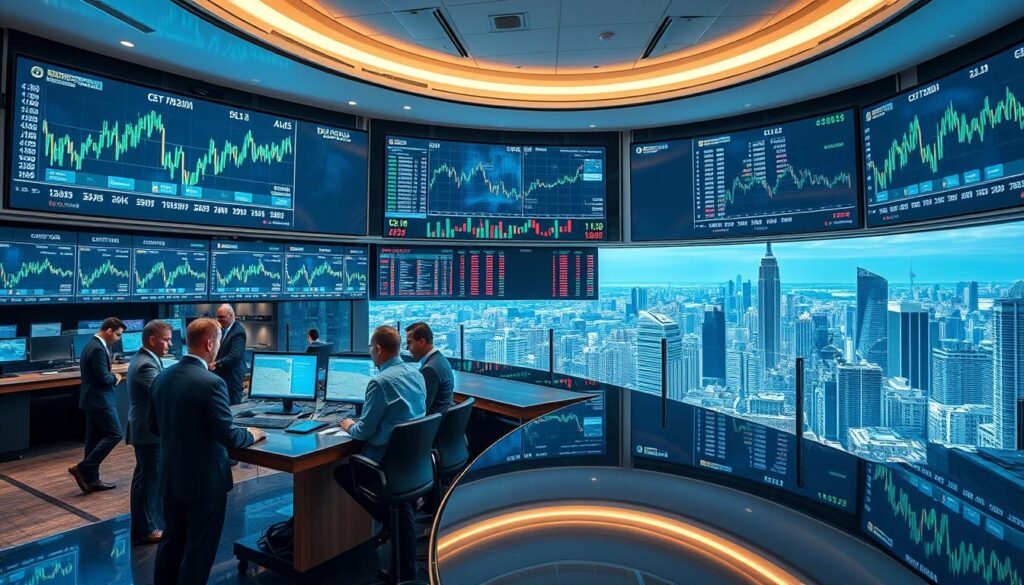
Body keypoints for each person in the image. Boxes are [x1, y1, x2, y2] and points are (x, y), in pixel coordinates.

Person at [151, 318, 266, 585]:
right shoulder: (212, 382)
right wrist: (252, 434)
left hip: (170, 477)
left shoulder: (162, 377)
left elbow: (154, 426)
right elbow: (228, 435)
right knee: (198, 551)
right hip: (204, 483)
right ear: (211, 343)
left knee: (171, 542)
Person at [333, 326, 426, 581]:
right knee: (402, 506)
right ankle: (403, 564)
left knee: (342, 472)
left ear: (379, 349)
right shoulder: (416, 373)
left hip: (383, 465)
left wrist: (348, 424)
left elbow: (363, 432)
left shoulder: (379, 382)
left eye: (371, 350)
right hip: (410, 463)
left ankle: (389, 521)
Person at [126, 320, 172, 545]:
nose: (169, 345)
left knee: (145, 477)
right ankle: (145, 529)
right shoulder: (146, 365)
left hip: (145, 428)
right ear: (152, 340)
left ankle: (145, 524)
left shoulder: (143, 358)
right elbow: (163, 392)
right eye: (166, 340)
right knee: (148, 481)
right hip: (148, 431)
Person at [69, 317, 125, 494]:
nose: (118, 339)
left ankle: (92, 480)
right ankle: (84, 468)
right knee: (116, 434)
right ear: (109, 331)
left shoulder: (92, 344)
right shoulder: (97, 349)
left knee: (93, 440)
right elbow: (104, 377)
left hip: (91, 400)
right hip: (100, 400)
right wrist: (116, 378)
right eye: (117, 334)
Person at [405, 322, 455, 415]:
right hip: (443, 420)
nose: (407, 348)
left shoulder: (429, 369)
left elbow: (422, 409)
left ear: (422, 342)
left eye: (409, 343)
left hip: (433, 425)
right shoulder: (440, 359)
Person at [211, 304, 246, 405]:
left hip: (232, 376)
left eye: (222, 317)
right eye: (218, 316)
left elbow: (234, 356)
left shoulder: (238, 332)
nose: (219, 319)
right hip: (221, 375)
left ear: (231, 316)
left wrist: (216, 364)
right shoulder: (222, 329)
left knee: (234, 405)